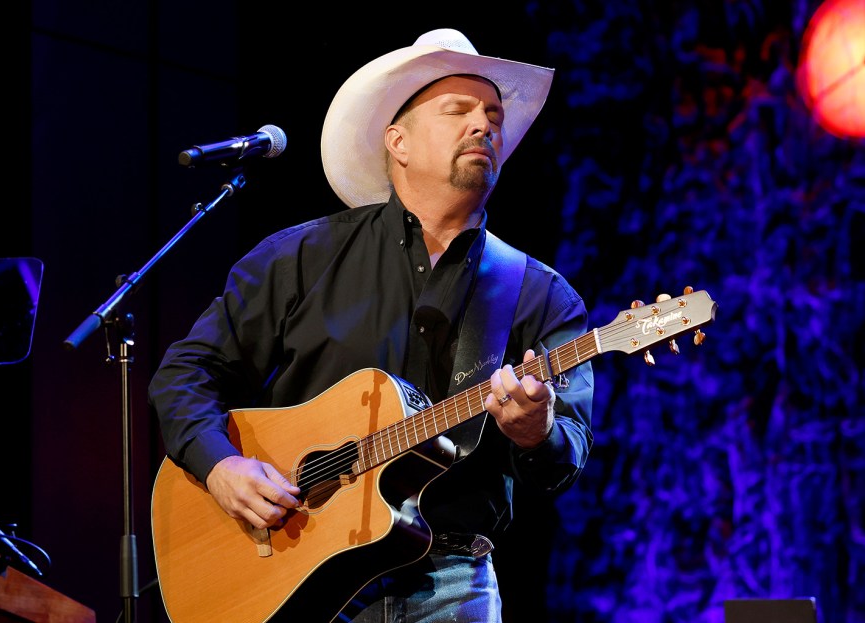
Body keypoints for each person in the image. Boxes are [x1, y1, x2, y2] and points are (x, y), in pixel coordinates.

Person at [148, 28, 594, 623]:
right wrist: (219, 465)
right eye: (458, 111)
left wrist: (536, 430)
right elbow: (185, 373)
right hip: (292, 567)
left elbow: (567, 455)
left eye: (492, 114)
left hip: (450, 579)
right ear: (398, 142)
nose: (484, 125)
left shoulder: (538, 294)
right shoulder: (299, 258)